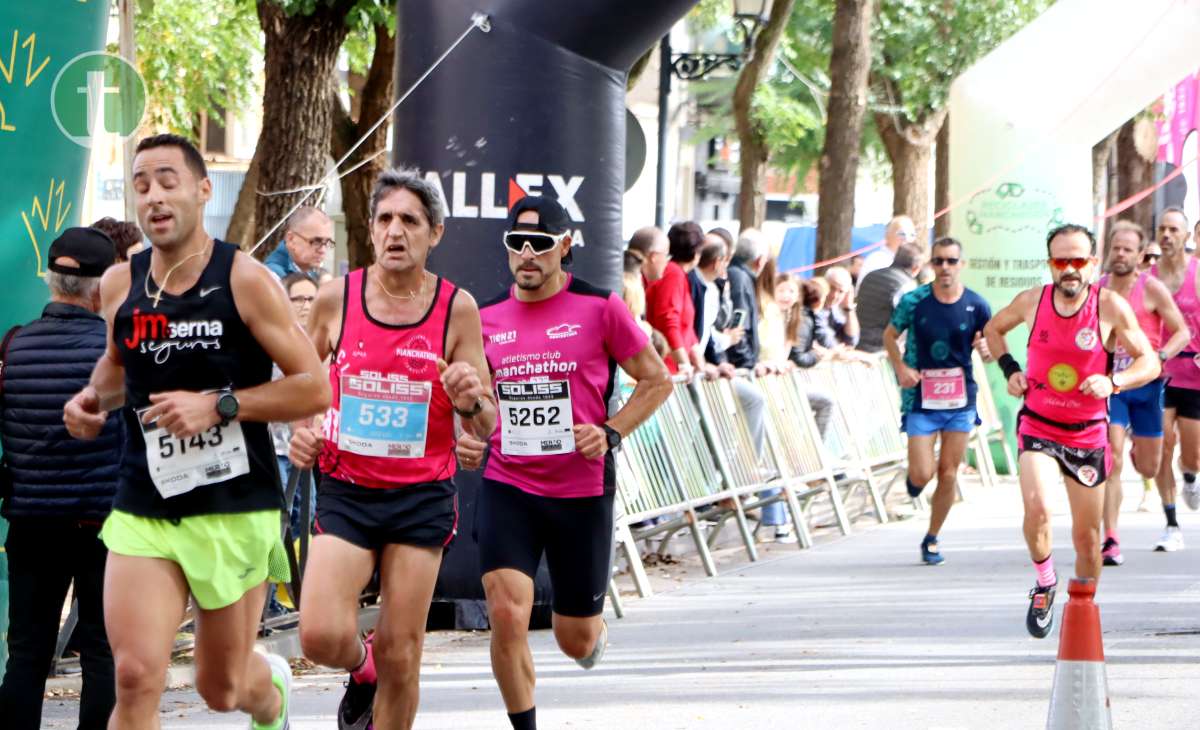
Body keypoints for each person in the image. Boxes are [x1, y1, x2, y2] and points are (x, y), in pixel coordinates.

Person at [63, 133, 331, 729]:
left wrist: (221, 406)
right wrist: (89, 401)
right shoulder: (118, 283)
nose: (154, 196)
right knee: (133, 677)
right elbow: (116, 369)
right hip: (144, 503)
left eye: (167, 180)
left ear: (203, 190)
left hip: (233, 507)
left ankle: (273, 694)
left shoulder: (246, 279)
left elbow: (314, 388)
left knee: (222, 686)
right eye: (141, 185)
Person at [288, 168, 495, 730]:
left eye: (410, 220)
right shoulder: (337, 298)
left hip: (421, 496)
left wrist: (470, 401)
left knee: (404, 654)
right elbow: (303, 386)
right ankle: (361, 666)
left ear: (435, 233)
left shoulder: (457, 309)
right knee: (321, 633)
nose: (395, 231)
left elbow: (485, 422)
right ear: (371, 229)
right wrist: (303, 430)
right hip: (348, 491)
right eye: (385, 219)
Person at [455, 195, 671, 730]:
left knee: (574, 637)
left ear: (565, 247)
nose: (527, 254)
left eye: (541, 244)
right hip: (510, 485)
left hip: (581, 492)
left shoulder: (601, 308)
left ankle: (590, 631)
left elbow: (657, 379)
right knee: (506, 612)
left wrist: (610, 431)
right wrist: (467, 434)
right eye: (516, 244)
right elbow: (477, 408)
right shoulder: (484, 318)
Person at [983, 223, 1158, 639]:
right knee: (1037, 507)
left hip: (1086, 433)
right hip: (1039, 425)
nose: (1070, 269)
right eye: (1061, 260)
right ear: (1050, 264)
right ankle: (1045, 583)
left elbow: (1149, 361)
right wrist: (1010, 371)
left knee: (1086, 537)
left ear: (1091, 263)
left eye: (1078, 260)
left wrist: (1114, 382)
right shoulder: (1032, 301)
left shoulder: (1110, 306)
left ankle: (1085, 610)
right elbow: (992, 330)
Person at [0, 227, 119, 729]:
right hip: (105, 526)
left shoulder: (13, 346)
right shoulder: (117, 355)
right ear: (101, 287)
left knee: (26, 652)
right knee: (102, 652)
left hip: (31, 524)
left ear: (52, 280)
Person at [883, 237, 992, 565]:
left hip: (960, 401)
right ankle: (914, 482)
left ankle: (932, 537)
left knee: (948, 472)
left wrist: (986, 350)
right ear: (932, 265)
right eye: (939, 261)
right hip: (921, 397)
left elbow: (988, 342)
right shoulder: (915, 301)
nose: (945, 267)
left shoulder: (977, 304)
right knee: (922, 472)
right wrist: (900, 366)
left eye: (951, 261)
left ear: (961, 265)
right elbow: (889, 335)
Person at [1099, 221, 1189, 564]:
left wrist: (1161, 356)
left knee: (1150, 467)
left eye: (1127, 249)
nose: (1120, 254)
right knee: (1112, 459)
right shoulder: (1098, 291)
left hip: (1147, 386)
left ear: (1139, 255)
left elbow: (1181, 331)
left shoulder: (1151, 289)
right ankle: (1110, 538)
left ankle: (1140, 447)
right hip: (1112, 386)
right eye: (1115, 247)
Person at [1151, 207, 1200, 551]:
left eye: (1173, 230)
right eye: (1162, 229)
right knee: (1161, 446)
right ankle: (1171, 524)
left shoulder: (1198, 273)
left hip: (1194, 374)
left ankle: (1191, 476)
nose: (1166, 235)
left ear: (1186, 237)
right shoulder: (1148, 279)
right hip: (1160, 372)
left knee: (1193, 454)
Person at [274, 272, 320, 538]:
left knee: (308, 512)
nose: (306, 305)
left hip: (306, 448)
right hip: (276, 448)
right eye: (299, 298)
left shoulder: (321, 342)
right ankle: (270, 580)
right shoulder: (273, 339)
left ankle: (291, 579)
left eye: (312, 298)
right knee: (280, 520)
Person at [645, 222, 705, 376]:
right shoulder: (673, 274)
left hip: (672, 364)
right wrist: (684, 363)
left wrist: (694, 354)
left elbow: (684, 326)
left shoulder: (677, 274)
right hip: (668, 366)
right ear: (696, 253)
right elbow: (668, 320)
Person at [856, 243, 924, 353]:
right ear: (916, 268)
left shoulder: (870, 276)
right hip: (883, 351)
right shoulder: (907, 286)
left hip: (857, 343)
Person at [726, 229, 770, 369]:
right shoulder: (740, 280)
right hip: (737, 366)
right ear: (760, 261)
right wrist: (748, 363)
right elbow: (738, 325)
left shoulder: (738, 276)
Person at [264, 205, 335, 281]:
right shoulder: (272, 277)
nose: (322, 250)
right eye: (316, 242)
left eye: (327, 242)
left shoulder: (312, 273)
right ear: (291, 239)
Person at [858, 215, 917, 282]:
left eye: (912, 235)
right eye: (902, 234)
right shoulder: (877, 260)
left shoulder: (913, 262)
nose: (907, 239)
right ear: (887, 236)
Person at [823, 266, 860, 347]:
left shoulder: (834, 310)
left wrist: (848, 307)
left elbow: (851, 340)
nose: (834, 295)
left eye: (841, 291)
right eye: (831, 288)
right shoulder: (813, 306)